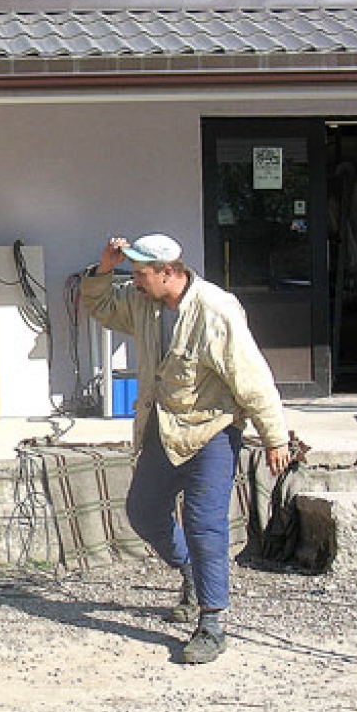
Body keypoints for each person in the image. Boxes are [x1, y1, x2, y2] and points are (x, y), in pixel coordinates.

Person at [80, 233, 291, 664]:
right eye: (132, 273)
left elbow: (251, 377)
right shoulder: (143, 301)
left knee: (204, 524)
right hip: (163, 427)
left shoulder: (216, 310)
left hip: (211, 430)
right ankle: (192, 571)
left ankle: (212, 621)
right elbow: (100, 306)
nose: (133, 281)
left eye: (140, 274)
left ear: (169, 273)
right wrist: (104, 267)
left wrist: (275, 437)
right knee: (143, 511)